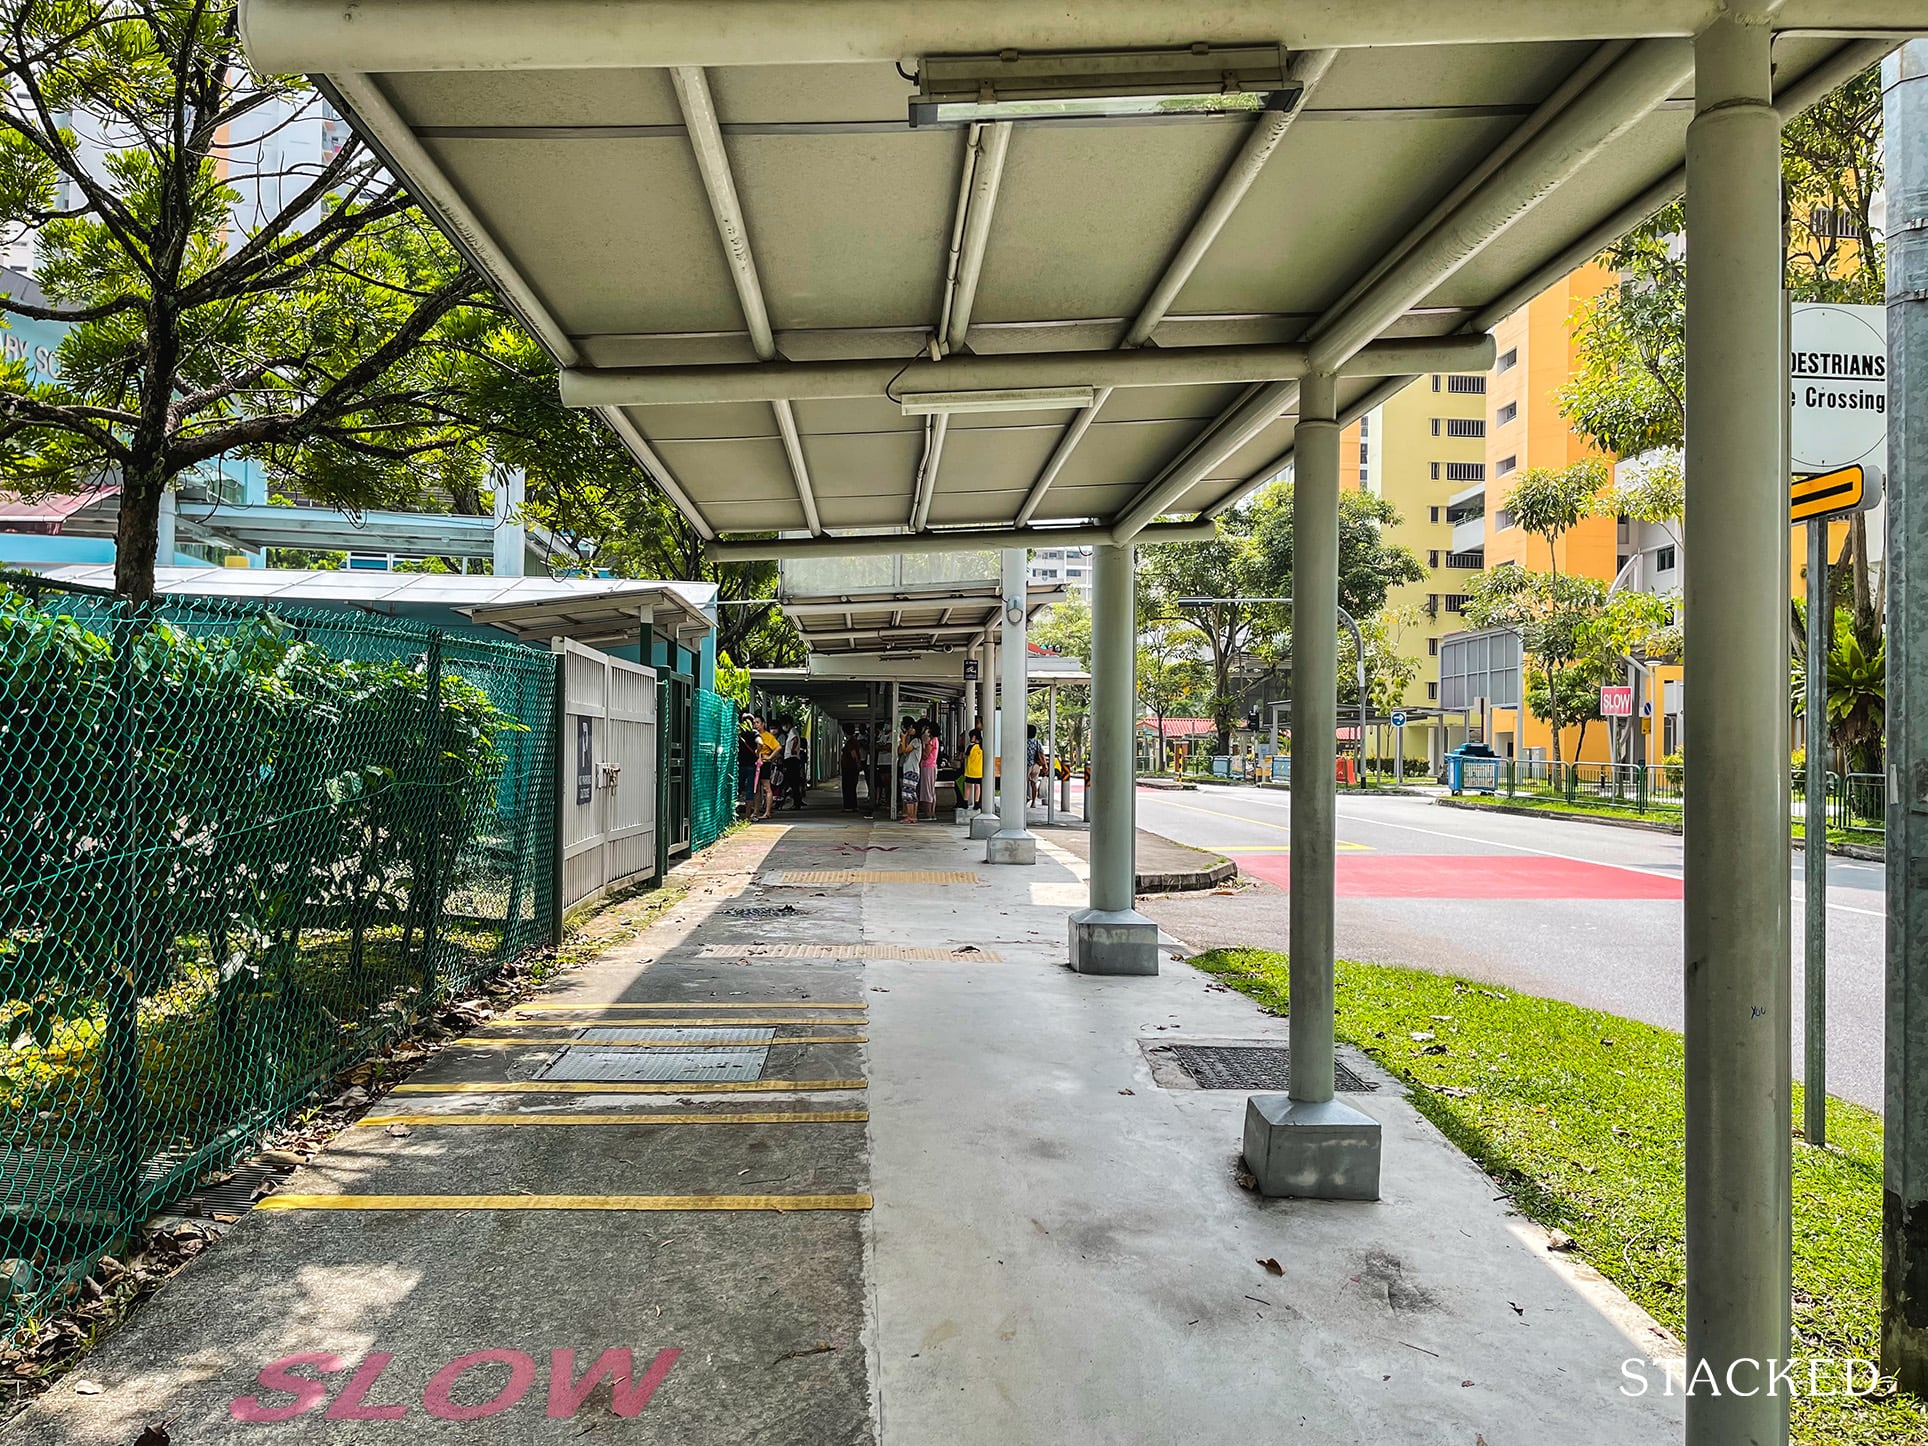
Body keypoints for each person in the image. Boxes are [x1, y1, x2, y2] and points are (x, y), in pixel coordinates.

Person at [753, 714, 782, 821]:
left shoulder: (768, 736)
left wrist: (770, 757)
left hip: (764, 763)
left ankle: (768, 812)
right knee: (755, 788)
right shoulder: (754, 735)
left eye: (758, 722)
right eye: (754, 723)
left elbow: (778, 747)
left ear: (763, 724)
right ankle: (756, 810)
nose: (755, 725)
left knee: (766, 787)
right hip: (755, 763)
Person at [898, 718, 922, 824]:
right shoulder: (913, 741)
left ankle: (910, 815)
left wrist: (903, 738)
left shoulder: (916, 741)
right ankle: (913, 816)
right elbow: (901, 750)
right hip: (911, 769)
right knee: (912, 793)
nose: (909, 730)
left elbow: (904, 750)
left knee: (908, 794)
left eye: (910, 728)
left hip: (911, 770)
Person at [782, 715, 806, 810]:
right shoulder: (792, 731)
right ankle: (798, 801)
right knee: (794, 781)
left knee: (793, 782)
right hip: (792, 758)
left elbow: (795, 740)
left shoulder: (792, 731)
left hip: (791, 758)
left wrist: (792, 749)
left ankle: (796, 803)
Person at [919, 720, 940, 821]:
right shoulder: (936, 740)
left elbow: (925, 755)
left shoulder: (931, 741)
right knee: (931, 791)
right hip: (932, 766)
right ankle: (932, 813)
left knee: (927, 790)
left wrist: (922, 746)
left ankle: (928, 813)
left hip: (927, 766)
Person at [841, 727, 865, 812]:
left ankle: (849, 805)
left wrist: (857, 763)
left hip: (850, 767)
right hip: (851, 767)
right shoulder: (853, 741)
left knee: (848, 786)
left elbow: (853, 754)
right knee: (852, 786)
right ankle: (852, 805)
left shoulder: (851, 742)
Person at [961, 726, 984, 812]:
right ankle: (977, 803)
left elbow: (965, 756)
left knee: (968, 786)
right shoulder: (982, 747)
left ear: (974, 737)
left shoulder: (970, 747)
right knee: (978, 786)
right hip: (979, 771)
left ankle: (965, 802)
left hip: (970, 771)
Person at [1026, 723, 1045, 806]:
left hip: (1026, 765)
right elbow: (1042, 754)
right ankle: (1033, 802)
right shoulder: (1037, 742)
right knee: (1034, 784)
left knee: (1024, 783)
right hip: (1036, 765)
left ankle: (1026, 797)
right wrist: (1045, 765)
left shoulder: (1024, 741)